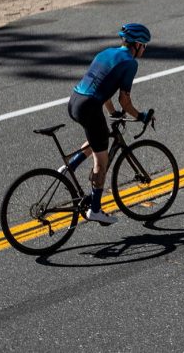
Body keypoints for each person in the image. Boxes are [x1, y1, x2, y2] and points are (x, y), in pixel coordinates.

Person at [62, 23, 154, 225]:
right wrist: (141, 116)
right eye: (145, 45)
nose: (145, 50)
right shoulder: (130, 63)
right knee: (101, 162)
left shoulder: (106, 53)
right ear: (137, 44)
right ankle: (95, 210)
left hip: (75, 101)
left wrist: (113, 113)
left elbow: (102, 88)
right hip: (89, 107)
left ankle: (69, 169)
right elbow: (125, 100)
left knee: (97, 138)